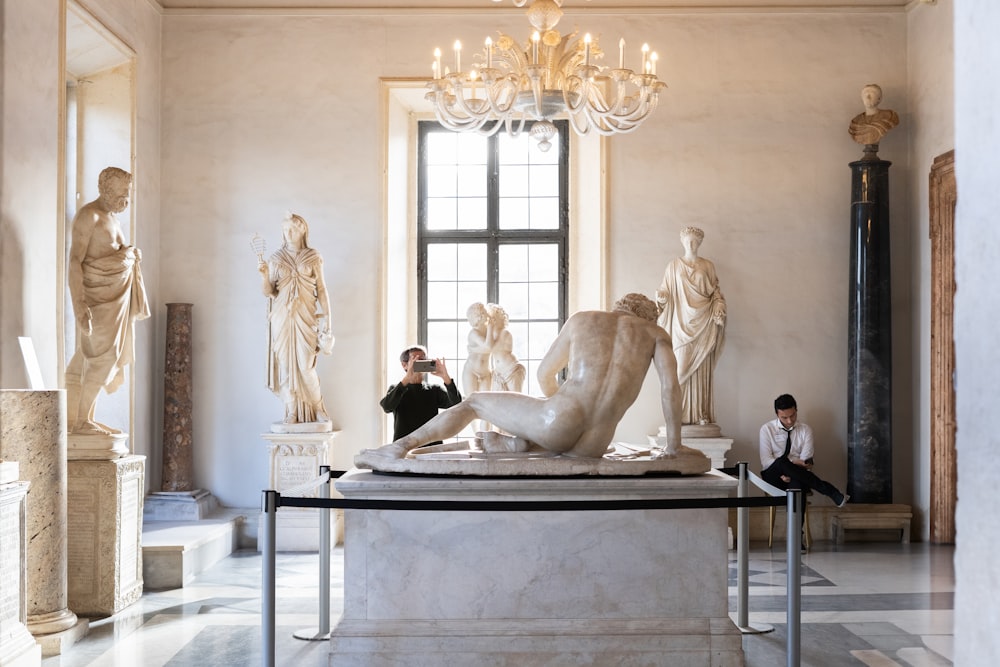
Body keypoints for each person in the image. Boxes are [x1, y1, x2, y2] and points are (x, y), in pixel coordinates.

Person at [363, 293, 686, 460]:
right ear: (647, 316)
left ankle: (399, 447)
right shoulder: (656, 335)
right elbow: (671, 390)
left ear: (618, 307)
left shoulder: (585, 320)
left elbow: (545, 373)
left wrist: (557, 404)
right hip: (596, 444)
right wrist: (673, 447)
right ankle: (519, 443)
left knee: (475, 402)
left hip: (557, 421)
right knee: (561, 441)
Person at [65, 166, 150, 435]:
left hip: (116, 299)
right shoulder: (88, 217)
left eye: (128, 192)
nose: (127, 197)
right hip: (97, 298)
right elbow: (75, 262)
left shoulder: (113, 218)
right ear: (107, 189)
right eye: (123, 192)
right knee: (103, 358)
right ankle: (81, 421)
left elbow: (114, 252)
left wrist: (129, 255)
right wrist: (79, 305)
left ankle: (82, 418)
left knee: (92, 359)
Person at [258, 213, 333, 425]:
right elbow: (269, 291)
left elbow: (322, 290)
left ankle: (318, 408)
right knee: (286, 367)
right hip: (282, 317)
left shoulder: (313, 257)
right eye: (285, 230)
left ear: (302, 230)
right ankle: (291, 411)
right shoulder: (276, 259)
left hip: (306, 318)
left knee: (306, 367)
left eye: (292, 229)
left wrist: (329, 322)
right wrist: (264, 275)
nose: (288, 233)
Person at [655, 227, 726, 426]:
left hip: (703, 323)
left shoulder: (708, 266)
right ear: (682, 242)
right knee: (680, 370)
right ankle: (676, 416)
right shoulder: (673, 266)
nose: (691, 244)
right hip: (680, 326)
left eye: (695, 241)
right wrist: (661, 298)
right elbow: (665, 292)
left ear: (700, 243)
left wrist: (719, 309)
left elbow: (716, 295)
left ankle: (700, 414)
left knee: (702, 369)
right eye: (688, 241)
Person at [759, 393, 849, 508]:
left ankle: (797, 526)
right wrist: (790, 465)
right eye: (784, 417)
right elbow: (766, 461)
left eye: (792, 415)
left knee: (797, 485)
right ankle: (830, 491)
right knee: (781, 462)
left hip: (798, 474)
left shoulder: (805, 430)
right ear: (777, 414)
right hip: (773, 476)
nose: (789, 421)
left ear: (796, 410)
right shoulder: (767, 429)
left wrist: (791, 470)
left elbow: (805, 460)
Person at [380, 346, 462, 444]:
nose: (420, 363)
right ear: (404, 365)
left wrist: (445, 377)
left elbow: (457, 405)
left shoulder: (434, 390)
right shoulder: (397, 389)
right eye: (415, 360)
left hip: (431, 448)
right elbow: (386, 406)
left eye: (423, 360)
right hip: (404, 447)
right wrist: (407, 379)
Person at [487, 304, 526, 393]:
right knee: (501, 401)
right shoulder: (491, 335)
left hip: (511, 370)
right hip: (499, 373)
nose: (490, 322)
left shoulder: (505, 333)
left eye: (492, 319)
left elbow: (490, 347)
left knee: (516, 398)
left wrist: (489, 329)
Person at [462, 302, 494, 395]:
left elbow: (492, 348)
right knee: (471, 402)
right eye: (484, 313)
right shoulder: (473, 333)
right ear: (478, 316)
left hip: (486, 372)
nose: (487, 315)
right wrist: (491, 327)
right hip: (472, 371)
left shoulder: (488, 331)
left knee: (485, 403)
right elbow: (488, 347)